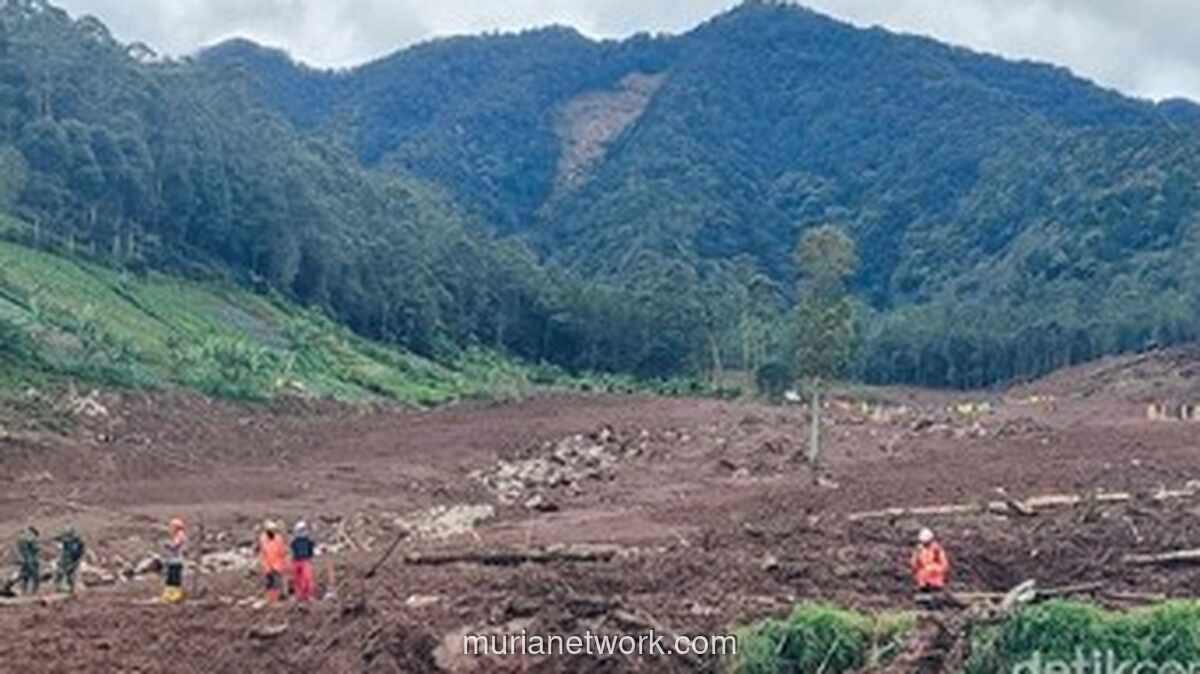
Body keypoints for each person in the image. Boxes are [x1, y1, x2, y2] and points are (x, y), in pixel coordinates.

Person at [258, 520, 289, 603]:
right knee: (270, 582)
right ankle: (271, 599)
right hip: (269, 565)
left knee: (275, 582)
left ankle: (275, 599)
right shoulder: (264, 538)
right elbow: (263, 552)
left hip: (276, 564)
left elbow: (282, 552)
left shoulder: (277, 538)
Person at [910, 528, 950, 592]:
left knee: (936, 588)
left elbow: (944, 564)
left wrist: (943, 573)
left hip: (936, 577)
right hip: (924, 578)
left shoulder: (936, 549)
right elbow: (914, 564)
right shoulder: (919, 550)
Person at [161, 518, 187, 604]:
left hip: (177, 561)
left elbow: (175, 545)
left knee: (175, 579)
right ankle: (169, 595)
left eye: (171, 527)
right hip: (172, 561)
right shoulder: (176, 536)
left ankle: (175, 596)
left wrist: (167, 545)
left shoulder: (180, 535)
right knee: (170, 579)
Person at [290, 521, 316, 602]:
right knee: (298, 579)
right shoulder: (295, 541)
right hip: (297, 561)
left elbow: (311, 550)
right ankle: (299, 595)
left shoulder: (308, 541)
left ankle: (307, 595)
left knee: (307, 579)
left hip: (305, 560)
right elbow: (293, 550)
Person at [55, 528, 85, 596]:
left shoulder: (76, 543)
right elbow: (60, 539)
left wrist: (74, 562)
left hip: (73, 560)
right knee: (61, 572)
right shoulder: (67, 543)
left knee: (71, 574)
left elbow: (77, 554)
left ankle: (73, 589)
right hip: (67, 560)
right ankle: (62, 587)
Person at [16, 526, 40, 596]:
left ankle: (23, 592)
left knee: (25, 576)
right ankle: (34, 593)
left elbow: (19, 549)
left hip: (24, 559)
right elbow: (35, 548)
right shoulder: (30, 538)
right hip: (31, 559)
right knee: (35, 576)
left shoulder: (20, 538)